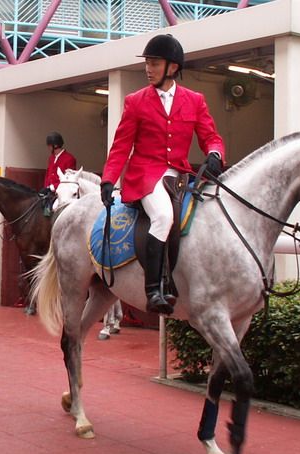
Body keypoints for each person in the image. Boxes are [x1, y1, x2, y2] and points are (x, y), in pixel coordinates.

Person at [100, 34, 225, 316]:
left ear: (172, 67)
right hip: (145, 175)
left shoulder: (194, 100)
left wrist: (215, 154)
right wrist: (108, 179)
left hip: (180, 174)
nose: (148, 69)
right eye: (147, 63)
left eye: (154, 63)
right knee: (164, 216)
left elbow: (210, 137)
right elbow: (121, 146)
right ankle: (154, 289)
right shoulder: (135, 101)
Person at [42, 132, 77, 216]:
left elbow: (68, 179)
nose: (48, 148)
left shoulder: (69, 159)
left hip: (61, 192)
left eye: (49, 146)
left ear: (55, 146)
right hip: (49, 192)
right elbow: (48, 174)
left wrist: (52, 187)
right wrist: (46, 187)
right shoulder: (51, 158)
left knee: (55, 211)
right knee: (42, 210)